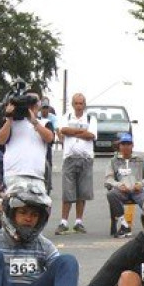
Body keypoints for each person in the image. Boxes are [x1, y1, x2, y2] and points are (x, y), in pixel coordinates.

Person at [55, 93, 96, 235]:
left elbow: (91, 135)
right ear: (73, 104)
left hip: (86, 158)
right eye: (76, 103)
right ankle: (63, 222)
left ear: (84, 104)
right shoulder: (66, 117)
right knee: (68, 191)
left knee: (82, 192)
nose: (79, 106)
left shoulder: (91, 118)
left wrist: (73, 132)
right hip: (69, 158)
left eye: (81, 103)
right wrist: (81, 131)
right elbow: (63, 130)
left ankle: (79, 222)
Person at [0, 92, 53, 192]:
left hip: (36, 175)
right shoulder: (11, 123)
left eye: (33, 105)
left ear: (38, 106)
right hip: (13, 173)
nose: (29, 108)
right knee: (14, 205)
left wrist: (34, 122)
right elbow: (0, 140)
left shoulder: (44, 123)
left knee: (39, 206)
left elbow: (49, 138)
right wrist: (9, 118)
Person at [105, 133, 144, 239]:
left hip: (138, 190)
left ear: (132, 145)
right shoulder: (113, 161)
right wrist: (118, 185)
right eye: (123, 144)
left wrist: (141, 184)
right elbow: (108, 179)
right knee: (111, 194)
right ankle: (124, 225)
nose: (125, 147)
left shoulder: (140, 160)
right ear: (119, 146)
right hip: (122, 191)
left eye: (128, 144)